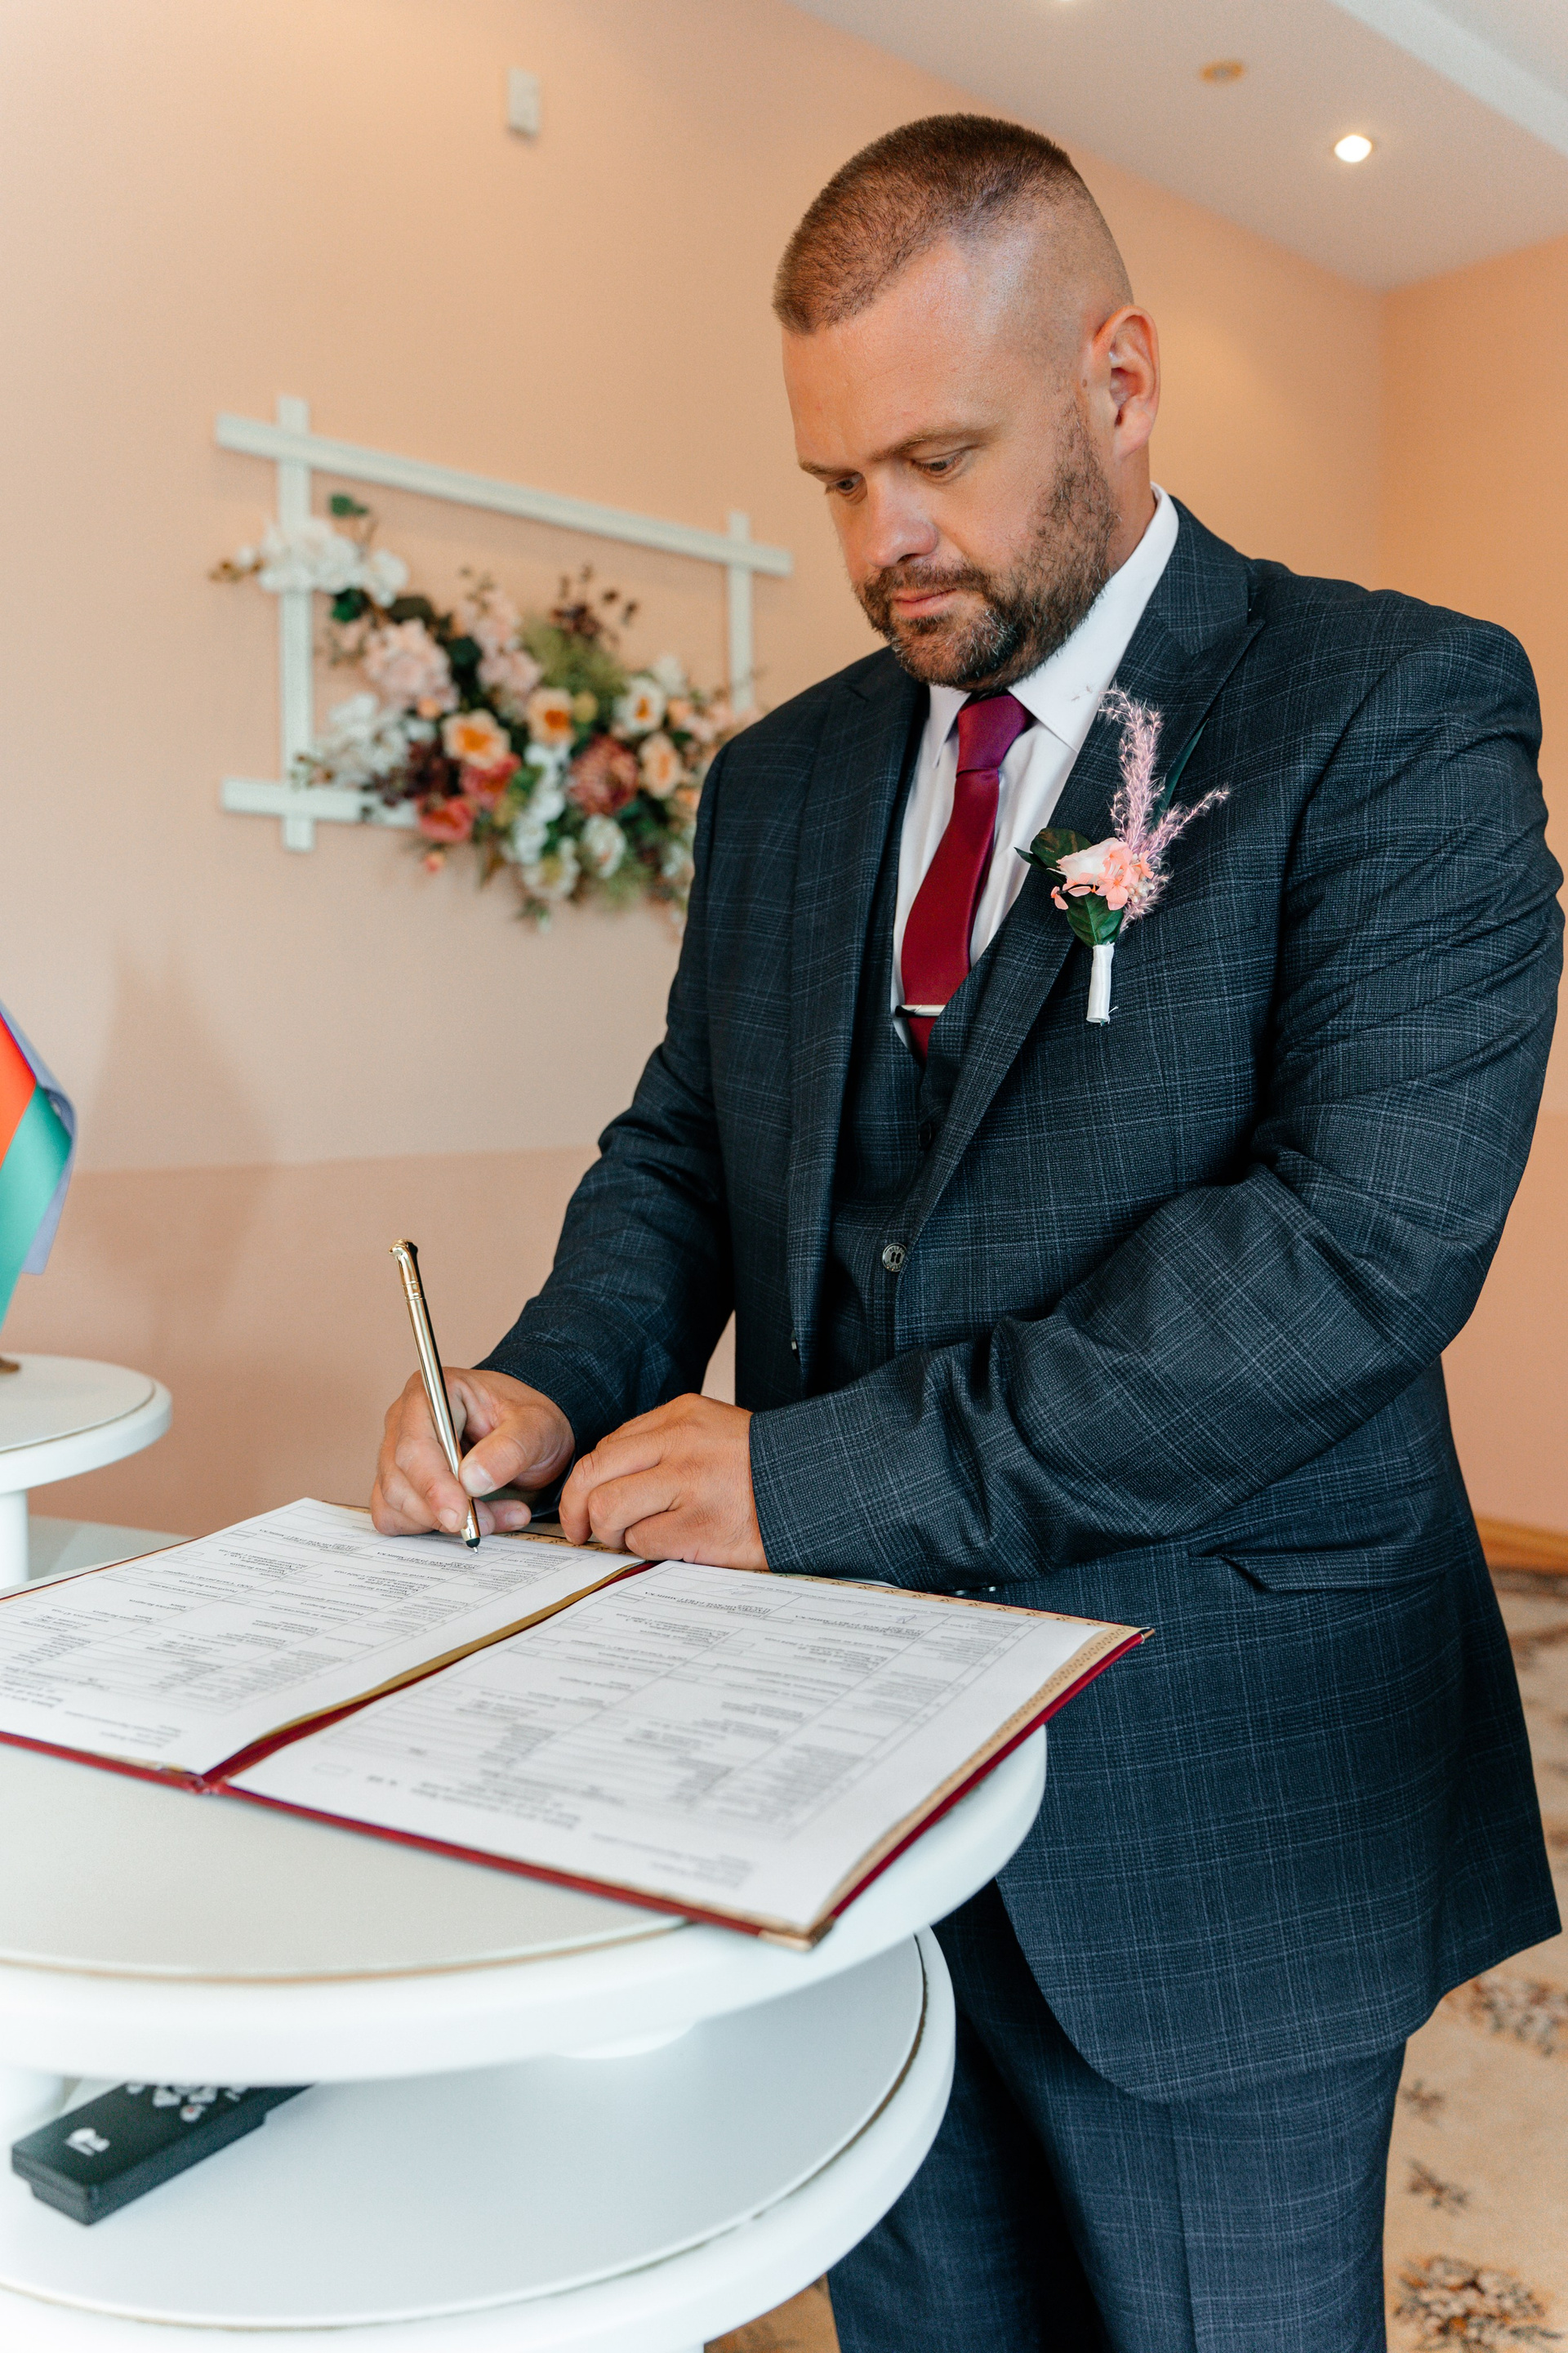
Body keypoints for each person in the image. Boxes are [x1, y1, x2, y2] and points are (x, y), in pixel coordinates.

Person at [372, 114, 1561, 2353]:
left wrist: (814, 1476)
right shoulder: (785, 780)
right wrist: (547, 1377)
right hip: (837, 1805)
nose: (883, 541)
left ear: (1121, 380)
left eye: (938, 457)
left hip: (1219, 1789)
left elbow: (1352, 1254)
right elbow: (690, 1152)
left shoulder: (1390, 710)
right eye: (835, 480)